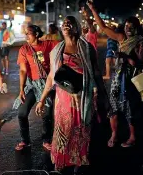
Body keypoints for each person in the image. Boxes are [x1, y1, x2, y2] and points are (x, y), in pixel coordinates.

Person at [36, 15, 107, 172]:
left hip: (84, 97)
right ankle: (62, 161)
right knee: (64, 130)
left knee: (82, 128)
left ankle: (79, 161)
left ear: (77, 27)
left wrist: (103, 96)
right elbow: (51, 77)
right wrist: (42, 99)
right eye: (64, 23)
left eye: (70, 23)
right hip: (64, 99)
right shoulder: (56, 51)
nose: (66, 25)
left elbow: (95, 73)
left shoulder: (87, 48)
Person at [87, 0, 143, 148]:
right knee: (113, 107)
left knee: (130, 109)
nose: (128, 28)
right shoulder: (121, 38)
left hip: (131, 80)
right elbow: (103, 27)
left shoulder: (141, 42)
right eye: (127, 26)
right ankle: (114, 134)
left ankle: (132, 137)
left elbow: (140, 64)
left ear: (137, 27)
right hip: (117, 78)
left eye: (131, 26)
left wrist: (125, 57)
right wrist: (93, 10)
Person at [13, 25, 58, 151]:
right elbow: (22, 70)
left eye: (29, 33)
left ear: (37, 34)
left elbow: (66, 44)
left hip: (46, 84)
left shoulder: (48, 44)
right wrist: (21, 89)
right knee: (22, 113)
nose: (26, 36)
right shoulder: (24, 49)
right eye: (25, 33)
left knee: (47, 114)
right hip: (31, 84)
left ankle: (46, 140)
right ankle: (25, 140)